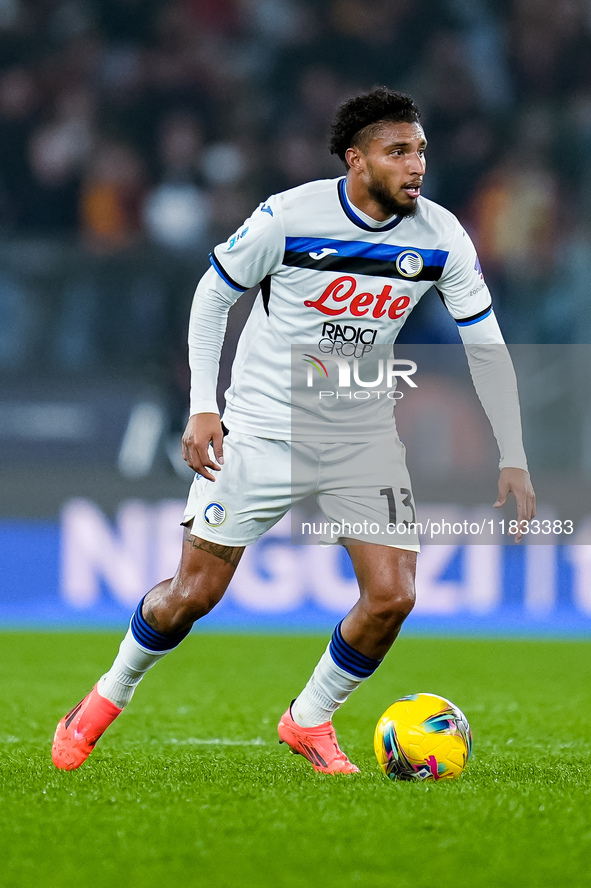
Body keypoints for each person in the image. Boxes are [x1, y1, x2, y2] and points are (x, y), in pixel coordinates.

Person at [52, 88, 536, 774]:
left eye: (420, 149)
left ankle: (308, 720)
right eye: (397, 151)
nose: (415, 164)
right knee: (191, 596)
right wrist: (202, 405)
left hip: (360, 436)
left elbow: (483, 343)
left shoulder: (441, 236)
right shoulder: (288, 217)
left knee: (392, 595)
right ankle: (104, 697)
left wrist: (511, 452)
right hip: (261, 430)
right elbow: (213, 293)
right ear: (356, 159)